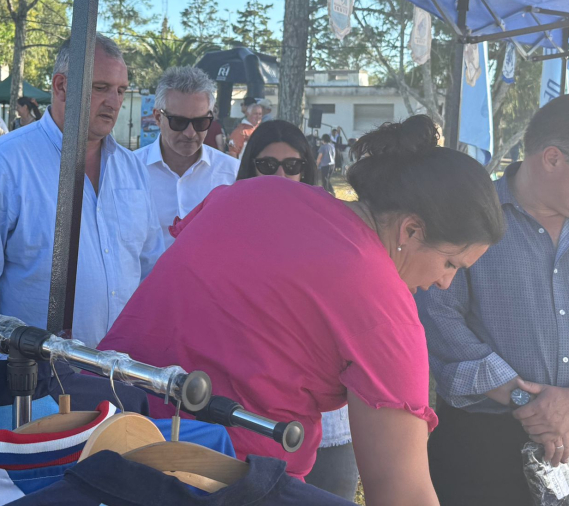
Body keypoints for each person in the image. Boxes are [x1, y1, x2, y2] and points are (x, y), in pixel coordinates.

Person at [99, 115, 505, 506]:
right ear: (411, 231)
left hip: (98, 437)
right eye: (450, 263)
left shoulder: (253, 193)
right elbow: (402, 493)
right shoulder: (385, 310)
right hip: (215, 482)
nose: (445, 283)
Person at [416, 92, 569, 506]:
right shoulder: (466, 214)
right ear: (553, 158)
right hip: (480, 449)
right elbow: (437, 317)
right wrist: (530, 402)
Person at [0, 34, 163, 355]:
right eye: (101, 87)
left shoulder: (133, 170)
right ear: (61, 86)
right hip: (32, 377)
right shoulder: (4, 163)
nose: (114, 101)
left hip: (120, 372)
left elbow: (150, 269)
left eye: (121, 90)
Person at [236, 120, 358, 499]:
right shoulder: (230, 224)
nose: (281, 176)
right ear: (250, 168)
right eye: (267, 165)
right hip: (254, 408)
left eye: (292, 166)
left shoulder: (334, 225)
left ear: (306, 169)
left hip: (327, 416)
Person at [136, 67, 239, 249]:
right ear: (158, 118)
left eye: (200, 122)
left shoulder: (232, 173)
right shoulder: (130, 170)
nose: (190, 133)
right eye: (179, 122)